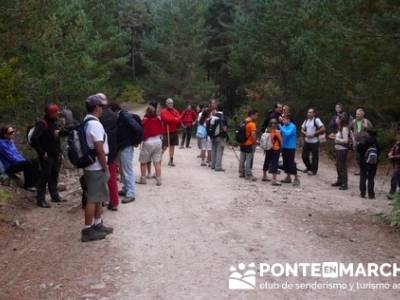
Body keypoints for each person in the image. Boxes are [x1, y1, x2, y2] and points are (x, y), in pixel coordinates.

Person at [81, 94, 113, 242]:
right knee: (93, 198)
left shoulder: (87, 121)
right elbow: (99, 149)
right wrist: (105, 168)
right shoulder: (95, 124)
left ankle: (97, 223)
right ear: (96, 108)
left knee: (98, 196)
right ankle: (87, 229)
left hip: (92, 165)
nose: (102, 109)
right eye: (101, 106)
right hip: (96, 166)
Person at [30, 103, 67, 208]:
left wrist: (60, 152)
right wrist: (42, 152)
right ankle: (40, 200)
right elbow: (34, 139)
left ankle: (55, 196)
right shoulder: (42, 124)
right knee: (44, 177)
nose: (58, 113)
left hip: (55, 154)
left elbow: (56, 140)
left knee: (54, 175)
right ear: (51, 113)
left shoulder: (54, 123)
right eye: (56, 112)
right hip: (46, 156)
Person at [111, 104, 142, 204]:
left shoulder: (125, 116)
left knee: (127, 170)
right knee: (123, 170)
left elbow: (138, 128)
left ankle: (131, 193)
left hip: (126, 147)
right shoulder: (121, 117)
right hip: (122, 146)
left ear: (115, 111)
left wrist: (136, 141)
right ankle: (125, 189)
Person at [98, 94, 119, 211]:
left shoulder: (98, 116)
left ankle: (100, 201)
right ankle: (114, 202)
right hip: (113, 151)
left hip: (101, 150)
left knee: (99, 177)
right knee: (112, 177)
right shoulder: (114, 115)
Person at [137, 103, 163, 186]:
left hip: (148, 142)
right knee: (157, 162)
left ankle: (143, 179)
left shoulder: (145, 120)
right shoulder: (158, 119)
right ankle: (159, 180)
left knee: (143, 162)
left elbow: (141, 130)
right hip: (158, 141)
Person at [301, 108, 326, 175]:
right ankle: (309, 168)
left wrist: (314, 134)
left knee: (314, 157)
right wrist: (305, 133)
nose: (308, 114)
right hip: (307, 141)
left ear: (314, 113)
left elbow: (323, 128)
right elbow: (302, 129)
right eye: (308, 112)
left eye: (310, 112)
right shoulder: (306, 120)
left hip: (314, 141)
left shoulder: (316, 120)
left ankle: (314, 171)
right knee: (304, 156)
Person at [328, 114, 350, 190]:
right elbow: (340, 137)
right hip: (338, 149)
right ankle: (340, 180)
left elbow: (346, 140)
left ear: (341, 120)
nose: (336, 119)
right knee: (338, 165)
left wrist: (337, 140)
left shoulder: (344, 129)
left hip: (342, 149)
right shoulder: (340, 128)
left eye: (337, 118)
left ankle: (344, 183)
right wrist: (334, 137)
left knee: (342, 166)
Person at [356, 129, 380, 199]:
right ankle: (371, 194)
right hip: (373, 162)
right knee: (371, 178)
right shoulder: (375, 141)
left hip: (363, 161)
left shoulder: (364, 141)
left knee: (363, 177)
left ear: (368, 134)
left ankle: (362, 193)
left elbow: (359, 149)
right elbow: (379, 151)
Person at [280, 113, 300, 186]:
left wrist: (280, 127)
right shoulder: (284, 126)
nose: (283, 121)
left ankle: (296, 178)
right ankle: (288, 177)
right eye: (282, 120)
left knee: (291, 163)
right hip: (284, 147)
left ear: (288, 119)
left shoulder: (292, 126)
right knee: (285, 163)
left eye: (284, 120)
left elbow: (287, 134)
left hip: (291, 147)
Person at [239, 110, 259, 180]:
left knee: (242, 158)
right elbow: (253, 134)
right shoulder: (252, 124)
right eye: (256, 115)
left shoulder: (243, 122)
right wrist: (255, 141)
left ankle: (241, 172)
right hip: (249, 143)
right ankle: (248, 174)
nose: (257, 117)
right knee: (249, 159)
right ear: (252, 115)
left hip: (242, 142)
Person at [160, 98, 181, 167]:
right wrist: (174, 119)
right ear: (166, 104)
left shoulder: (175, 111)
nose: (170, 104)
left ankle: (171, 161)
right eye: (169, 103)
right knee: (164, 146)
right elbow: (166, 119)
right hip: (166, 131)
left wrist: (172, 119)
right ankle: (158, 159)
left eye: (171, 103)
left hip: (174, 131)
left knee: (172, 146)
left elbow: (179, 119)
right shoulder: (163, 111)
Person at [353, 108, 373, 175]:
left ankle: (366, 170)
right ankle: (359, 169)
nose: (357, 115)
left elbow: (372, 131)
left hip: (364, 142)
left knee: (364, 156)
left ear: (362, 115)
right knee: (356, 156)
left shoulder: (366, 121)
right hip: (356, 141)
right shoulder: (354, 121)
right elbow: (349, 128)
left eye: (358, 114)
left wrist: (367, 127)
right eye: (356, 114)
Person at [262, 119, 282, 185]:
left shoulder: (267, 130)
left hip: (268, 149)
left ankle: (264, 176)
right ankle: (274, 180)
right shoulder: (277, 132)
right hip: (276, 149)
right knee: (274, 163)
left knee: (266, 161)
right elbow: (281, 141)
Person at [209, 103, 228, 172]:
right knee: (219, 151)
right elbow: (225, 128)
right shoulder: (223, 117)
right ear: (223, 109)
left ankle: (213, 165)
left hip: (213, 136)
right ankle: (218, 167)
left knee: (213, 150)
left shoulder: (214, 116)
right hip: (220, 136)